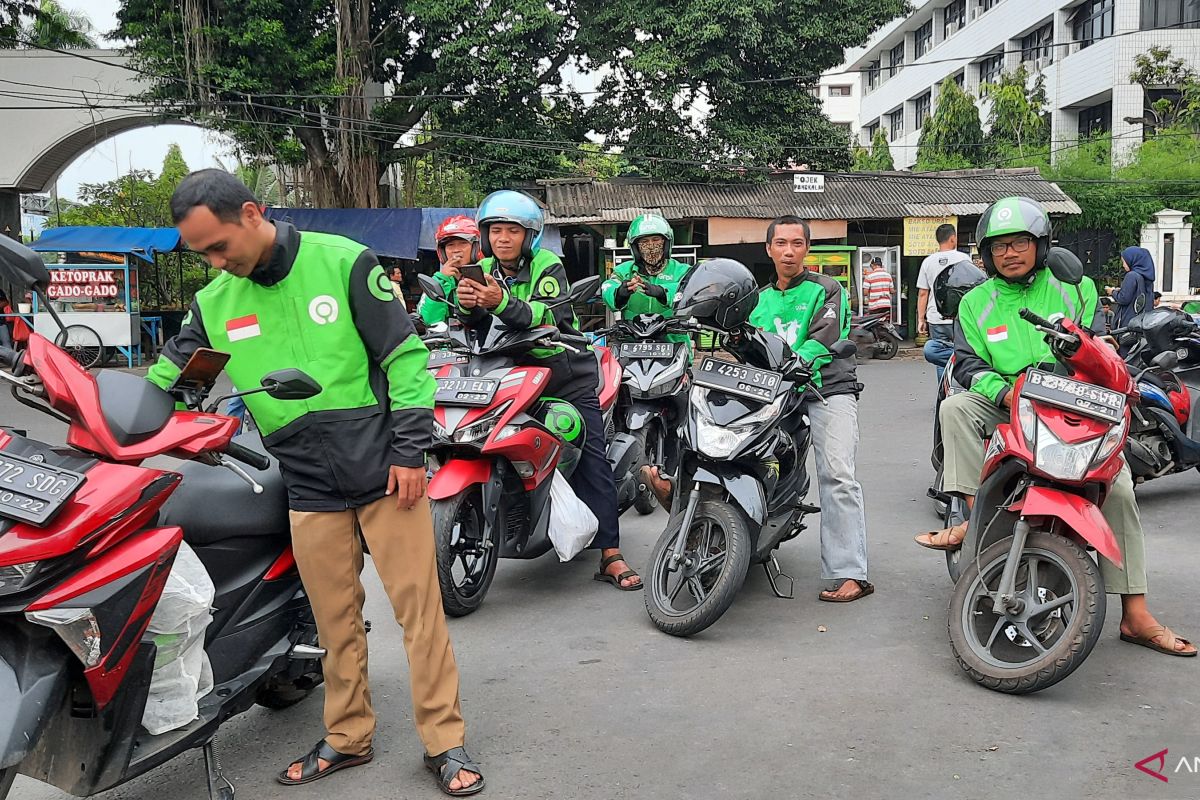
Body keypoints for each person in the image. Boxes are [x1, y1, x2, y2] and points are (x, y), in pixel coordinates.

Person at [147, 170, 485, 793]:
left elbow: (406, 362)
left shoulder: (344, 263)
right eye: (203, 255)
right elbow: (163, 379)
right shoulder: (217, 302)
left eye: (220, 246)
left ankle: (446, 741)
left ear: (252, 213)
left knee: (420, 615)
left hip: (387, 472)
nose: (216, 263)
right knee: (335, 622)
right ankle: (349, 736)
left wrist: (411, 454)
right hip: (305, 481)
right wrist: (105, 409)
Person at [915, 196, 1195, 657]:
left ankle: (1135, 611)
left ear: (1041, 246)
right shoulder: (975, 303)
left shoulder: (1076, 288)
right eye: (999, 246)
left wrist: (1082, 351)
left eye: (1020, 242)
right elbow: (965, 364)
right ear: (986, 254)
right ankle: (972, 513)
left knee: (1119, 486)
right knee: (956, 409)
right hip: (1009, 401)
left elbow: (1101, 352)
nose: (1010, 253)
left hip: (1073, 405)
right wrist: (1006, 394)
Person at [454, 189, 641, 591]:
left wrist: (500, 301)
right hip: (505, 368)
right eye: (495, 231)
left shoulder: (547, 264)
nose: (503, 238)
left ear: (529, 235)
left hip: (562, 371)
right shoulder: (481, 267)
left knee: (592, 456)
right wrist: (466, 301)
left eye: (512, 231)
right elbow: (470, 321)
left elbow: (550, 314)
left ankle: (611, 553)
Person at [750, 216, 873, 603]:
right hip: (773, 391)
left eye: (797, 244)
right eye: (781, 243)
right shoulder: (757, 299)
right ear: (768, 249)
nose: (789, 251)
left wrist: (794, 364)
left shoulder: (828, 288)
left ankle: (850, 571)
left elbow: (826, 335)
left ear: (807, 249)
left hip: (826, 389)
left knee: (837, 472)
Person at [601, 213, 690, 340]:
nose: (651, 246)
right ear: (635, 247)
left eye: (656, 240)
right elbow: (607, 287)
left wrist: (663, 292)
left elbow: (692, 291)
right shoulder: (623, 271)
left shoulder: (682, 271)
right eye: (644, 241)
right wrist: (619, 293)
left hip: (673, 342)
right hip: (632, 345)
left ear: (666, 242)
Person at [917, 224, 971, 382]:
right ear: (953, 238)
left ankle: (944, 394)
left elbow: (922, 293)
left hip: (936, 317)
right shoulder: (964, 259)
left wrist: (921, 319)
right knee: (965, 351)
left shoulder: (928, 262)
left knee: (940, 357)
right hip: (960, 316)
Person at [420, 215, 482, 326]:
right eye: (450, 245)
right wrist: (442, 281)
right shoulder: (438, 281)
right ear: (443, 252)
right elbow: (429, 320)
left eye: (463, 243)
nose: (456, 250)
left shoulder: (489, 274)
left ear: (475, 247)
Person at [1108, 246, 1157, 328]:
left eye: (1124, 262)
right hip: (1144, 321)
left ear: (1133, 260)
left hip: (1130, 321)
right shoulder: (1147, 277)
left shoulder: (1132, 275)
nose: (1123, 265)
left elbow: (1123, 299)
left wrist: (1112, 292)